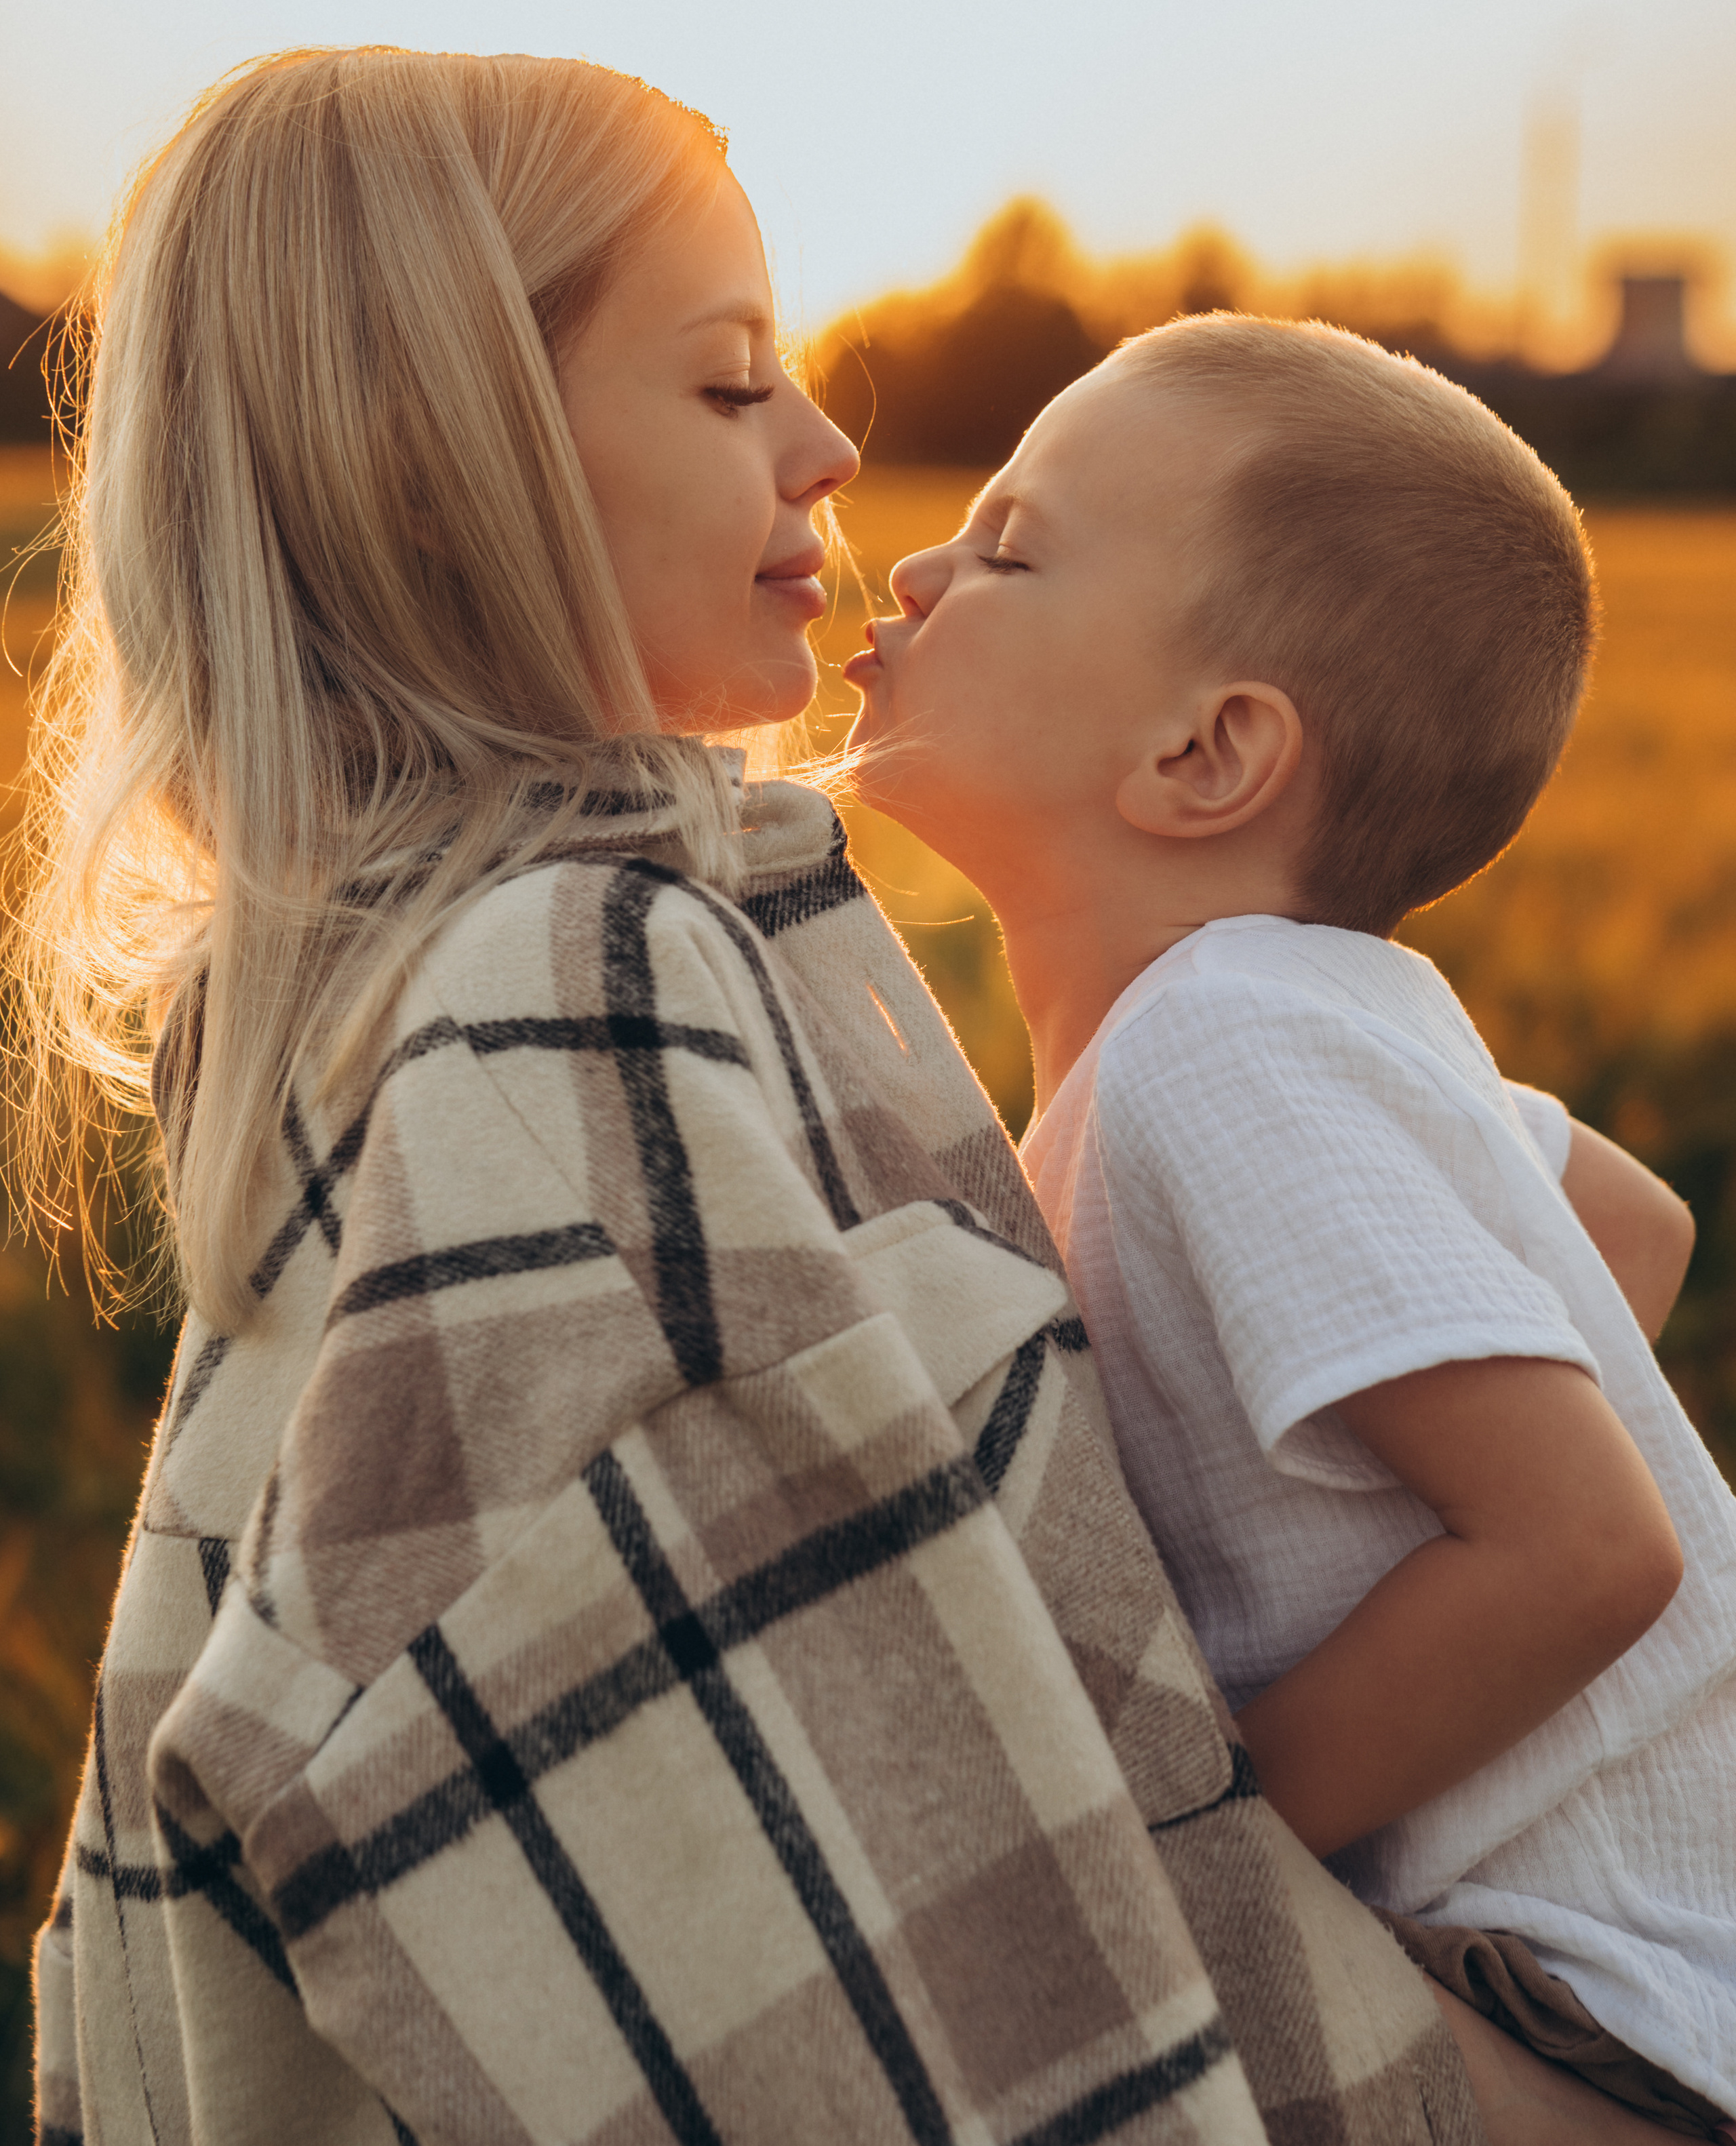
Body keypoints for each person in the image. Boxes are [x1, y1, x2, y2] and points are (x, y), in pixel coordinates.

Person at [14, 49, 1484, 2146]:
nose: (824, 446)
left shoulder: (483, 979)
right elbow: (896, 2028)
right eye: (726, 387)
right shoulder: (575, 998)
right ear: (431, 459)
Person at [846, 312, 1736, 2141]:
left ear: (1204, 754)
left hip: (1598, 2018)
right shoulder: (1302, 1014)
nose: (924, 564)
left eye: (1012, 550)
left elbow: (1590, 1552)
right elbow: (1626, 1234)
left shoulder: (1220, 1047)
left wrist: (1208, 1841)